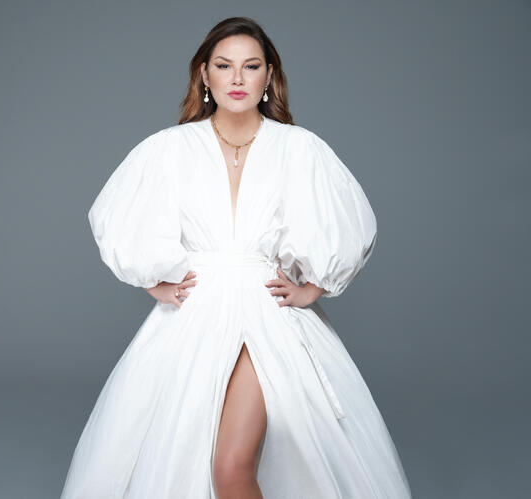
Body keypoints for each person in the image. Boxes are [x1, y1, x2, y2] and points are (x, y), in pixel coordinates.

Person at [60, 16, 412, 499]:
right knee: (181, 463)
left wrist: (312, 289)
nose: (238, 78)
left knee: (230, 467)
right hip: (193, 321)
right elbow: (118, 219)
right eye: (224, 66)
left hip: (269, 317)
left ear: (270, 76)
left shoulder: (298, 148)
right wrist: (154, 283)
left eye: (251, 66)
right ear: (204, 75)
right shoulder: (169, 149)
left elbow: (349, 224)